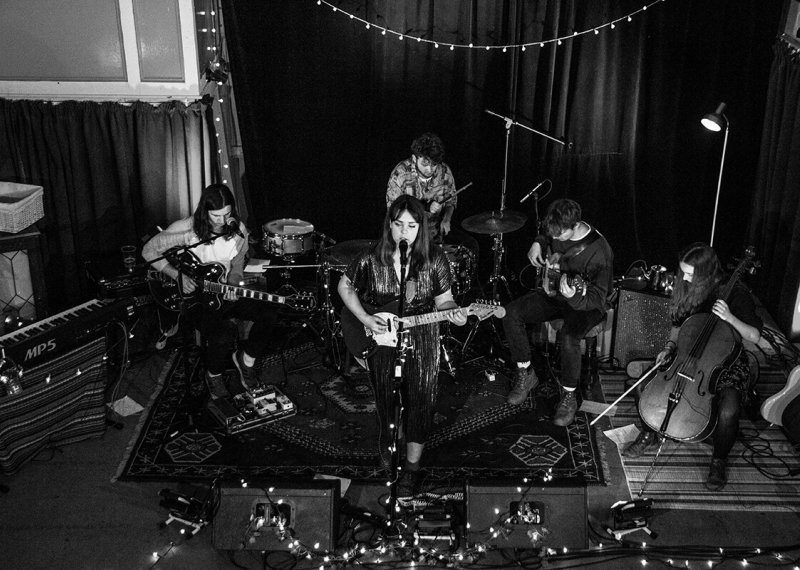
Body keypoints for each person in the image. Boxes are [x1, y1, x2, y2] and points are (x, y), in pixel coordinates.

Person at [338, 195, 467, 486]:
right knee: (386, 396)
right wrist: (365, 319)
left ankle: (411, 466)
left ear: (421, 227)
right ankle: (390, 443)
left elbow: (445, 301)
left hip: (423, 336)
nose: (404, 232)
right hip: (382, 337)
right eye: (399, 225)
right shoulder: (372, 257)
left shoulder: (435, 259)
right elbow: (344, 285)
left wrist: (454, 313)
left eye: (411, 225)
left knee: (421, 400)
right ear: (390, 226)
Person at [622, 243, 762, 492]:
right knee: (644, 384)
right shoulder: (686, 287)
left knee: (729, 409)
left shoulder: (735, 293)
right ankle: (649, 433)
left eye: (690, 274)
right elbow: (679, 326)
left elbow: (754, 336)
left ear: (706, 274)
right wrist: (667, 348)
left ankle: (719, 460)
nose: (684, 278)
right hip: (687, 354)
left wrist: (730, 317)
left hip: (724, 360)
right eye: (683, 272)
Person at [142, 183, 278, 396]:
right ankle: (214, 375)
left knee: (269, 313)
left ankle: (246, 361)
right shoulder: (185, 229)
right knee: (222, 334)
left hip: (221, 290)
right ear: (204, 211)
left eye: (227, 214)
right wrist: (176, 274)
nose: (222, 221)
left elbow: (237, 263)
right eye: (216, 216)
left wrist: (234, 283)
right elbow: (148, 251)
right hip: (193, 297)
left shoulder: (237, 230)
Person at [501, 198, 614, 426]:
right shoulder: (556, 227)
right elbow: (546, 231)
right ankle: (526, 372)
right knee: (511, 313)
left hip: (586, 303)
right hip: (555, 293)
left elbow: (598, 298)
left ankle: (569, 396)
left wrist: (574, 296)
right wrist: (538, 242)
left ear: (575, 225)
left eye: (559, 236)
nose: (555, 239)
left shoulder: (600, 251)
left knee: (569, 337)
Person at [386, 133, 478, 261]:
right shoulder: (400, 173)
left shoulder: (444, 171)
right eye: (425, 163)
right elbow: (393, 210)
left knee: (471, 245)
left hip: (436, 231)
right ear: (414, 158)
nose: (430, 169)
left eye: (434, 164)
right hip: (409, 232)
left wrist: (446, 219)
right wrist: (425, 206)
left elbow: (451, 200)